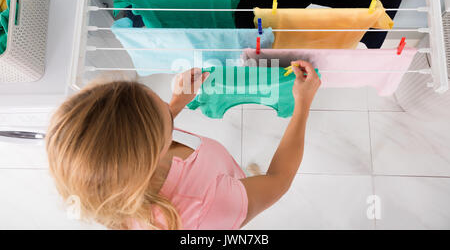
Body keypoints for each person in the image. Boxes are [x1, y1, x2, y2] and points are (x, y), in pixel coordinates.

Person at [46, 60, 321, 229]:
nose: (171, 105)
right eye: (165, 113)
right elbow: (279, 179)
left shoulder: (110, 185)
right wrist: (303, 104)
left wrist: (177, 102)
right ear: (152, 148)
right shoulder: (208, 205)